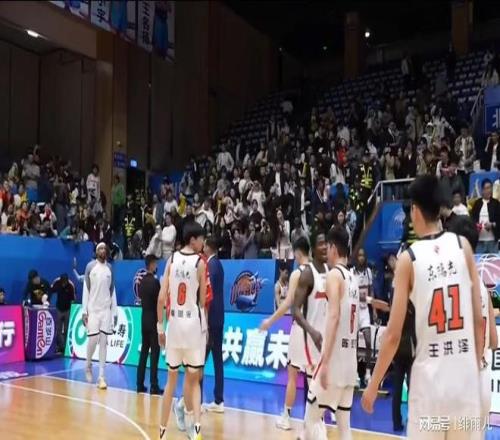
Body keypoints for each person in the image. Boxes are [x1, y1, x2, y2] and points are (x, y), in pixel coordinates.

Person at [362, 175, 485, 439]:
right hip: (464, 387)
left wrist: (373, 385)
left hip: (430, 391)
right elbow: (478, 321)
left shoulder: (409, 259)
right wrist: (473, 369)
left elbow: (393, 335)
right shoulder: (463, 246)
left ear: (415, 211)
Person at [303, 226, 359, 440]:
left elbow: (334, 316)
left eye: (327, 246)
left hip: (334, 361)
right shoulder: (353, 277)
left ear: (333, 247)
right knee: (344, 427)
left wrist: (325, 362)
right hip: (350, 363)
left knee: (311, 419)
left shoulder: (334, 275)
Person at [446, 215, 498, 430]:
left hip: (458, 380)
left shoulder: (448, 286)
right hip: (483, 381)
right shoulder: (483, 288)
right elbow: (494, 341)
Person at [157, 222, 207, 440]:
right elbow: (202, 301)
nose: (203, 242)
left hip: (175, 325)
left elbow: (161, 298)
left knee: (171, 381)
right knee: (194, 380)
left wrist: (160, 328)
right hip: (192, 325)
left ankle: (162, 431)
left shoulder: (171, 260)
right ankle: (196, 429)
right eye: (202, 239)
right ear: (193, 239)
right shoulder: (200, 263)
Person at [260, 237, 310, 431]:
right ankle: (316, 421)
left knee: (292, 376)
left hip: (300, 329)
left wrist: (269, 321)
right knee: (313, 380)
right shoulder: (321, 272)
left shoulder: (298, 273)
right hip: (315, 331)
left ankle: (287, 417)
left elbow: (287, 303)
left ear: (297, 252)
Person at [292, 232, 329, 379]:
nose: (325, 247)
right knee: (314, 387)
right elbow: (295, 310)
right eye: (320, 244)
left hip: (328, 339)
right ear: (313, 249)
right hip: (312, 340)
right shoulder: (307, 273)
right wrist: (312, 331)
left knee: (325, 390)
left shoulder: (330, 270)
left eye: (326, 243)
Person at [82, 242, 118, 390]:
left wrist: (114, 312)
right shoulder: (90, 267)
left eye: (104, 248)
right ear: (96, 252)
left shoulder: (110, 268)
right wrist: (84, 311)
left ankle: (101, 376)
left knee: (103, 342)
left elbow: (112, 291)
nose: (103, 250)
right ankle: (88, 364)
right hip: (93, 310)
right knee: (93, 339)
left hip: (105, 311)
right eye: (100, 248)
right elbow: (86, 290)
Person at [203, 236, 225, 413]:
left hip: (211, 319)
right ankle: (219, 400)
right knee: (217, 360)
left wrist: (205, 320)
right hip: (218, 318)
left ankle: (195, 400)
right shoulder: (218, 264)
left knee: (199, 361)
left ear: (208, 247)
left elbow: (207, 296)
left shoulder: (210, 266)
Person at [136, 255, 163, 395]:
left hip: (143, 318)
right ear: (152, 265)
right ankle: (154, 385)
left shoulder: (141, 282)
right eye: (155, 263)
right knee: (154, 353)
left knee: (144, 351)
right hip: (153, 319)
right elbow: (159, 301)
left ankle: (139, 383)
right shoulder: (155, 282)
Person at [351, 248, 374, 388]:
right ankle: (355, 375)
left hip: (365, 310)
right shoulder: (351, 272)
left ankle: (368, 373)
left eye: (363, 255)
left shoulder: (368, 272)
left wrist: (374, 310)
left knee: (368, 342)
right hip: (355, 311)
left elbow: (371, 291)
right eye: (359, 255)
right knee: (353, 344)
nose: (361, 257)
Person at [471, 179, 500, 254]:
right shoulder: (477, 203)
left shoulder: (496, 203)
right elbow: (472, 220)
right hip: (479, 242)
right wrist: (476, 225)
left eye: (490, 188)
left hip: (492, 242)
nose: (489, 190)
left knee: (493, 261)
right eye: (486, 188)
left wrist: (492, 224)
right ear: (482, 190)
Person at [50, 274, 76, 352]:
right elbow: (51, 290)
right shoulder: (57, 283)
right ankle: (61, 346)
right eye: (63, 282)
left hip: (67, 310)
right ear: (61, 281)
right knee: (58, 329)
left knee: (66, 328)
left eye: (65, 282)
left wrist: (71, 310)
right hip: (59, 309)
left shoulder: (70, 286)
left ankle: (65, 347)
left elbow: (73, 299)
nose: (64, 284)